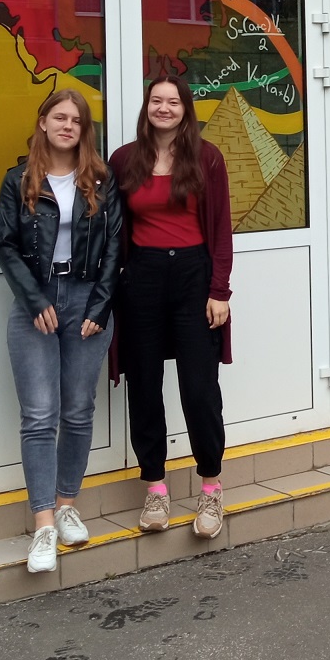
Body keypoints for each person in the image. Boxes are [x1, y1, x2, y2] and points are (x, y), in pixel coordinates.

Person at [0, 89, 122, 574]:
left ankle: (68, 504)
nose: (68, 125)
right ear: (43, 122)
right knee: (39, 415)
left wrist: (101, 305)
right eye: (59, 117)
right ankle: (44, 524)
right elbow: (5, 245)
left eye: (76, 120)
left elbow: (115, 246)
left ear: (84, 129)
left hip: (87, 301)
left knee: (78, 410)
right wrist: (34, 299)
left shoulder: (101, 180)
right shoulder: (18, 180)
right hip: (38, 303)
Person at [111, 73, 233, 540]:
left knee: (199, 388)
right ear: (147, 108)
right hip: (141, 279)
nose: (164, 108)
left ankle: (211, 487)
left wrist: (219, 290)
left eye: (173, 101)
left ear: (185, 109)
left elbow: (221, 228)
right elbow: (113, 228)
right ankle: (156, 488)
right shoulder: (124, 159)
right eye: (156, 101)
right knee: (144, 385)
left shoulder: (207, 157)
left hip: (193, 277)